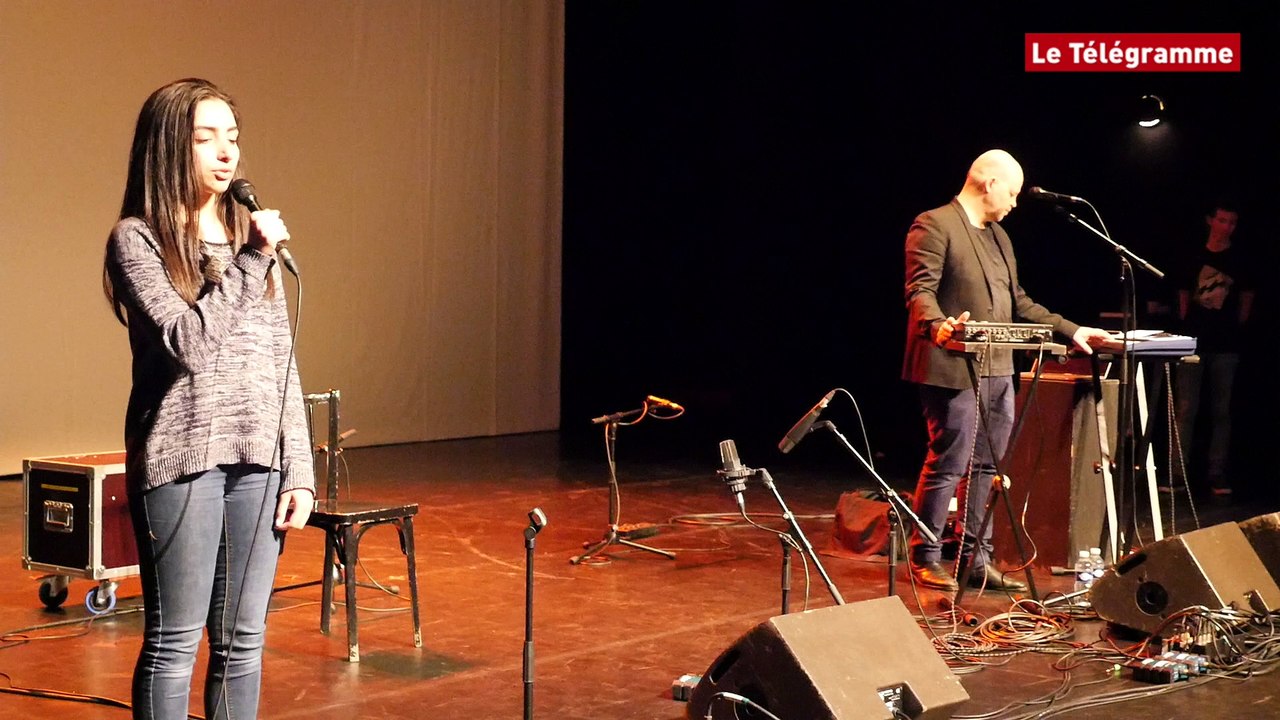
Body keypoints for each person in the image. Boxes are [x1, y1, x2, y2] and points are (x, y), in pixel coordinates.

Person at [102, 78, 315, 719]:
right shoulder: (137, 241)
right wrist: (251, 260)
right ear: (170, 147)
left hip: (260, 459)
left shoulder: (250, 244)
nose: (227, 153)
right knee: (173, 644)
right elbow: (188, 343)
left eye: (233, 137)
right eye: (206, 138)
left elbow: (282, 359)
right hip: (182, 458)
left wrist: (299, 467)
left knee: (242, 644)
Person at [901, 149, 1112, 592]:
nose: (1015, 202)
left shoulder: (999, 237)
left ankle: (974, 558)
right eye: (1012, 192)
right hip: (951, 366)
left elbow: (1019, 303)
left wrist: (1073, 330)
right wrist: (938, 327)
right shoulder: (934, 224)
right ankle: (925, 553)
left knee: (987, 466)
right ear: (989, 183)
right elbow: (920, 292)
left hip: (999, 367)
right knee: (950, 460)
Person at [1172, 199, 1254, 498]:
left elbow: (1247, 295)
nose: (1227, 227)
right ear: (1211, 221)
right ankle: (1177, 473)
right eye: (1222, 220)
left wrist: (1238, 328)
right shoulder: (1194, 254)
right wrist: (1185, 326)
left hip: (1226, 343)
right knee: (1186, 409)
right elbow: (1182, 292)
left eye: (1232, 222)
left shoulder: (1240, 257)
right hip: (1193, 341)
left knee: (1221, 411)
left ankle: (1216, 473)